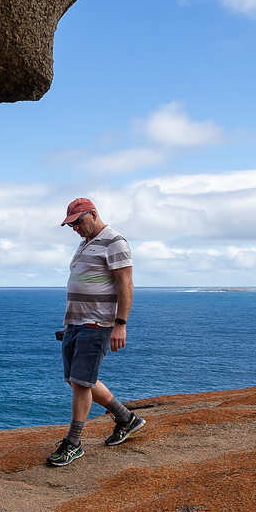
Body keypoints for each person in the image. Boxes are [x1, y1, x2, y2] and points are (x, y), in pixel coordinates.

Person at [49, 198, 145, 467]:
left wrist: (120, 324)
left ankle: (74, 442)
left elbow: (126, 284)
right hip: (75, 323)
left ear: (93, 214)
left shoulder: (115, 242)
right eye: (71, 224)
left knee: (81, 382)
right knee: (76, 380)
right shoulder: (86, 243)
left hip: (97, 323)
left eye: (78, 222)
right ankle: (127, 419)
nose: (75, 228)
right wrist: (69, 321)